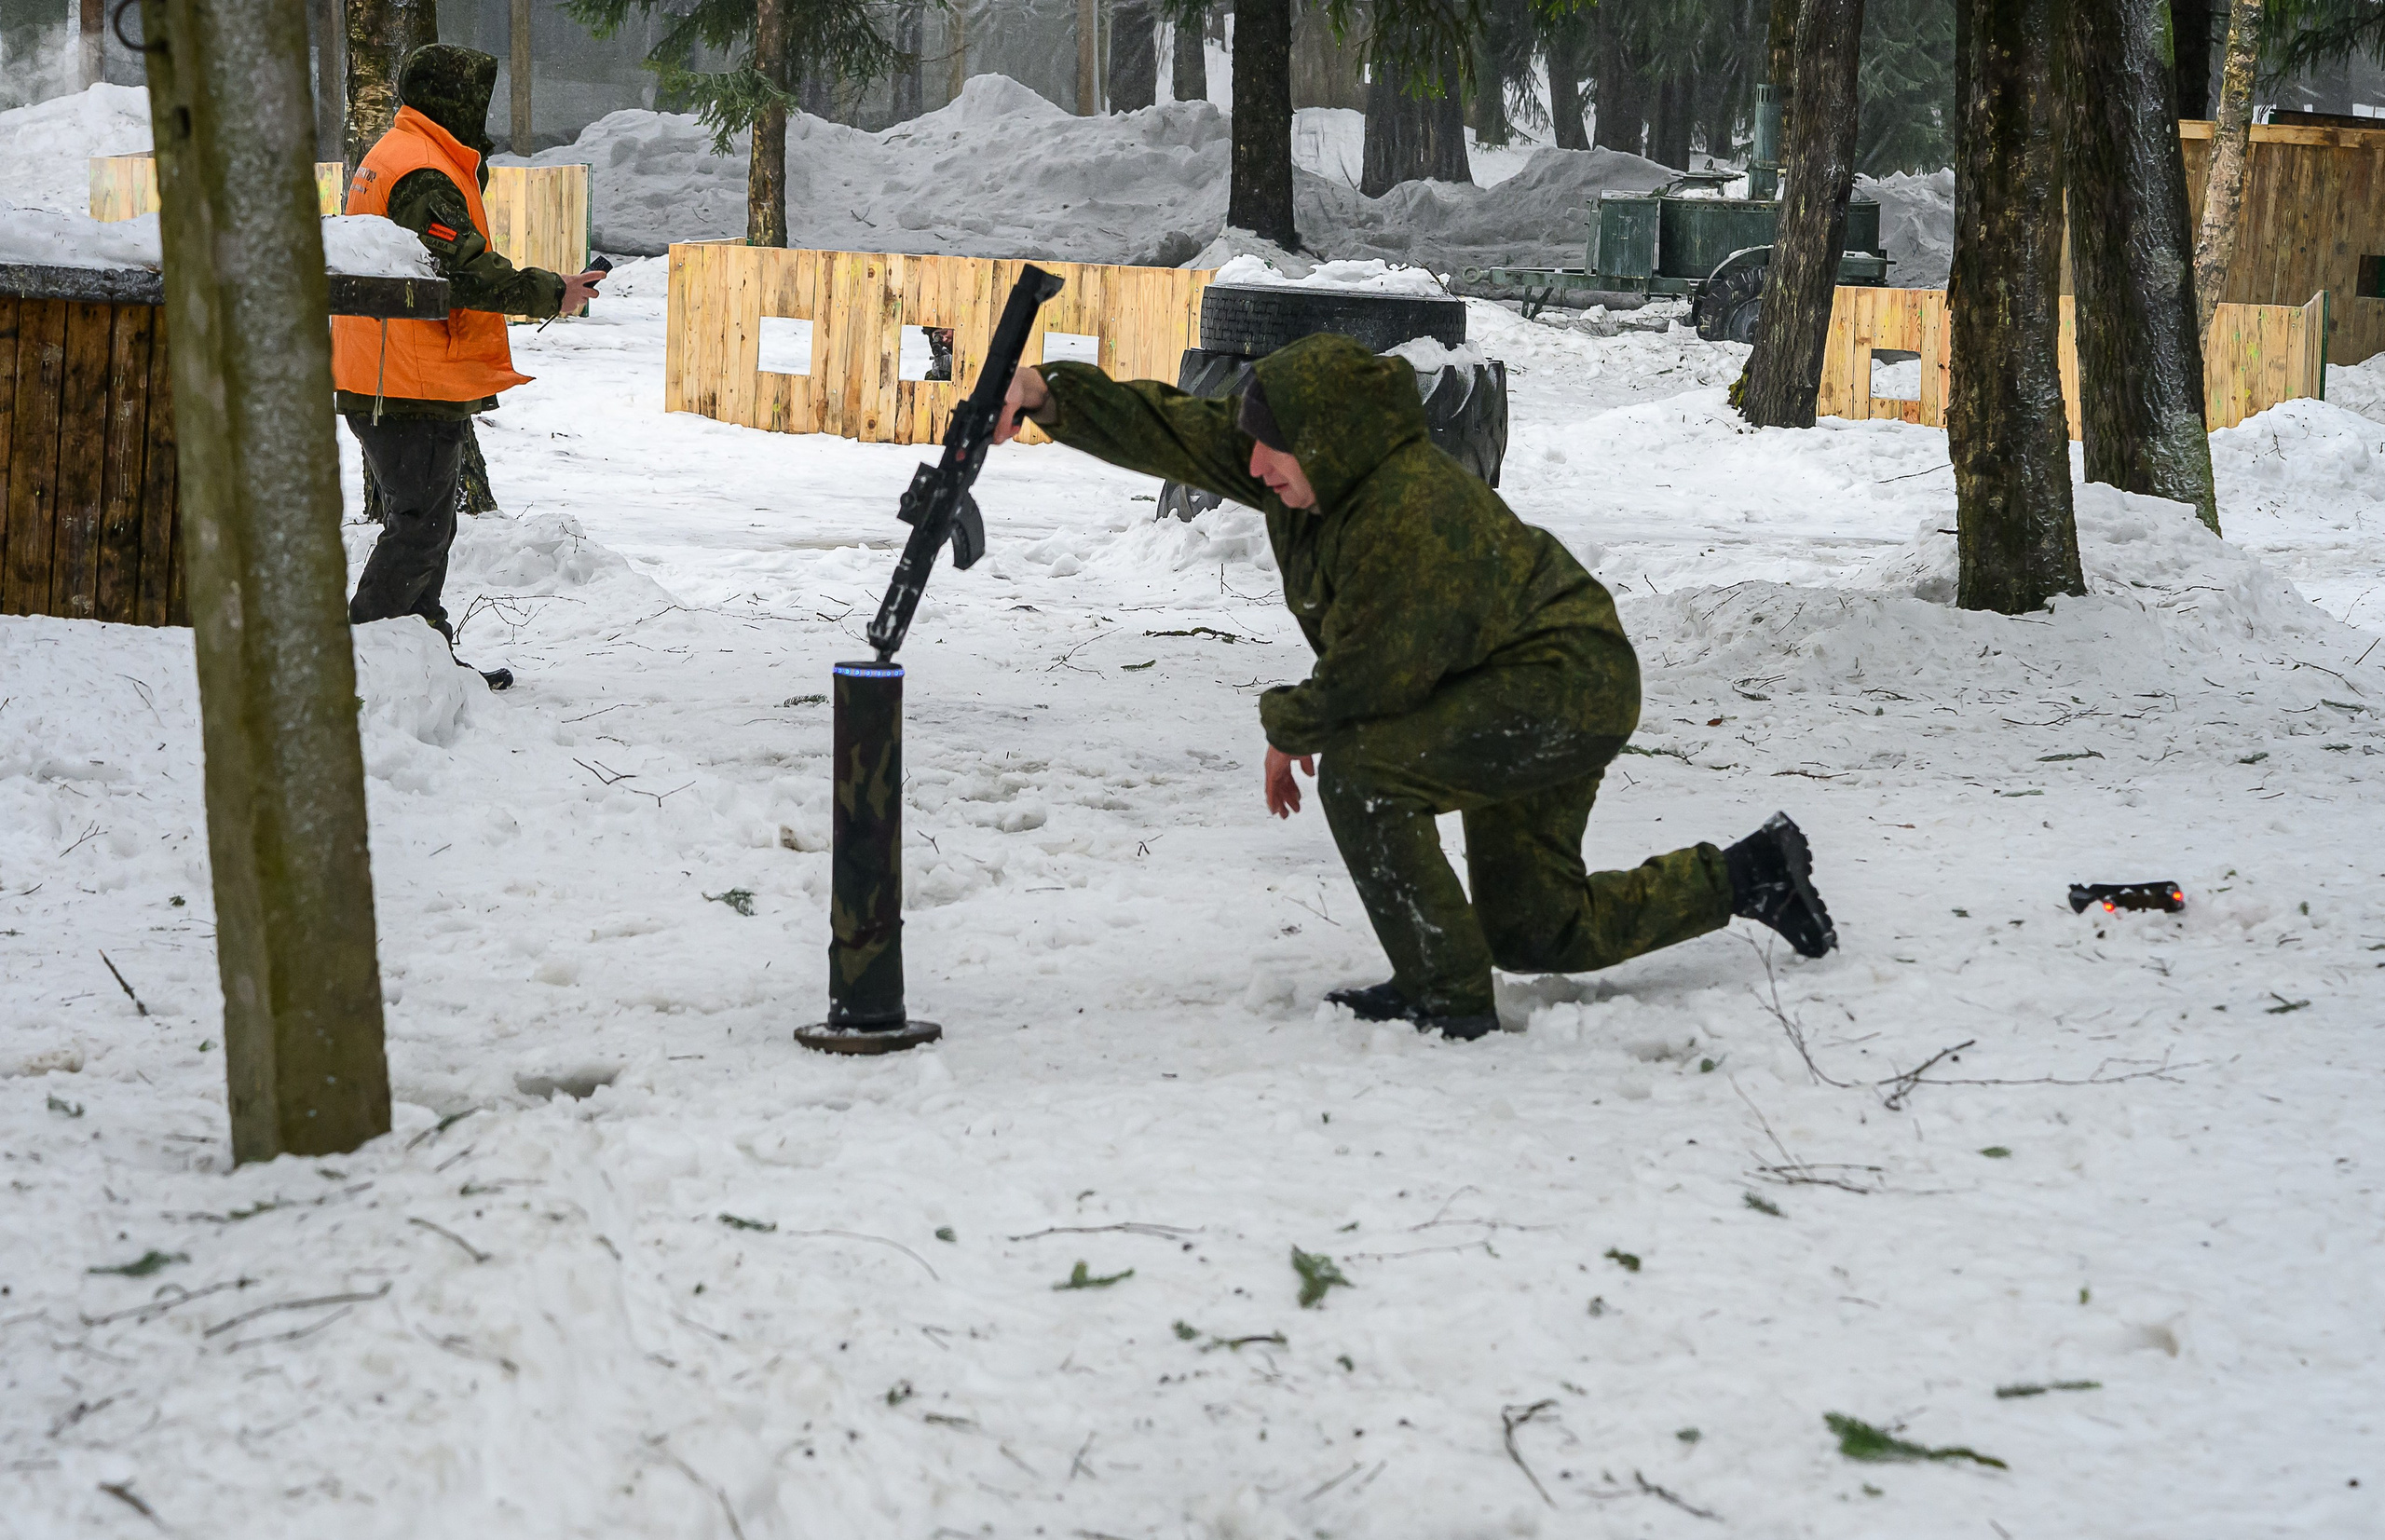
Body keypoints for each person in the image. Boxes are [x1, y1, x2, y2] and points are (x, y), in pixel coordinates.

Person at [995, 333, 1837, 1040]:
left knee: (1365, 775)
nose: (1251, 464)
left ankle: (1445, 995)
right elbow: (1173, 427)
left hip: (1564, 685)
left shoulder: (1411, 512)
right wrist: (1046, 394)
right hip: (1498, 678)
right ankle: (1750, 874)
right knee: (1532, 928)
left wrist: (1290, 725)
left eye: (1270, 446)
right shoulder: (1304, 467)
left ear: (1327, 440)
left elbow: (1376, 671)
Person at [329, 44, 609, 689]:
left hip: (395, 370)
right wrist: (553, 292)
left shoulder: (405, 153)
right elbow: (465, 272)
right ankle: (362, 666)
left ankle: (424, 665)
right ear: (451, 101)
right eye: (475, 98)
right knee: (419, 529)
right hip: (402, 378)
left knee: (428, 524)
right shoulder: (422, 171)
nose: (482, 112)